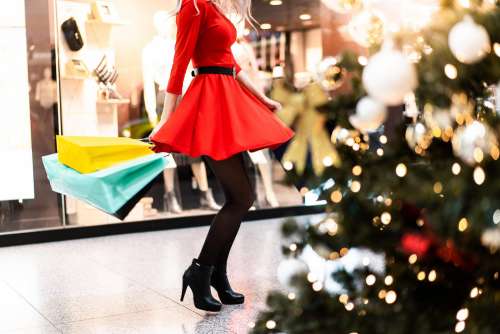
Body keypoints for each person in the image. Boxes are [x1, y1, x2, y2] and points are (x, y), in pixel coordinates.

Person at [149, 0, 294, 312]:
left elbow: (231, 63)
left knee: (240, 196)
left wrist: (261, 97)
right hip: (210, 100)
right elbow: (180, 59)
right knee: (241, 197)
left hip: (228, 96)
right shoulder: (194, 5)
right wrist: (166, 117)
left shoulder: (213, 8)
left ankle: (216, 274)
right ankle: (200, 272)